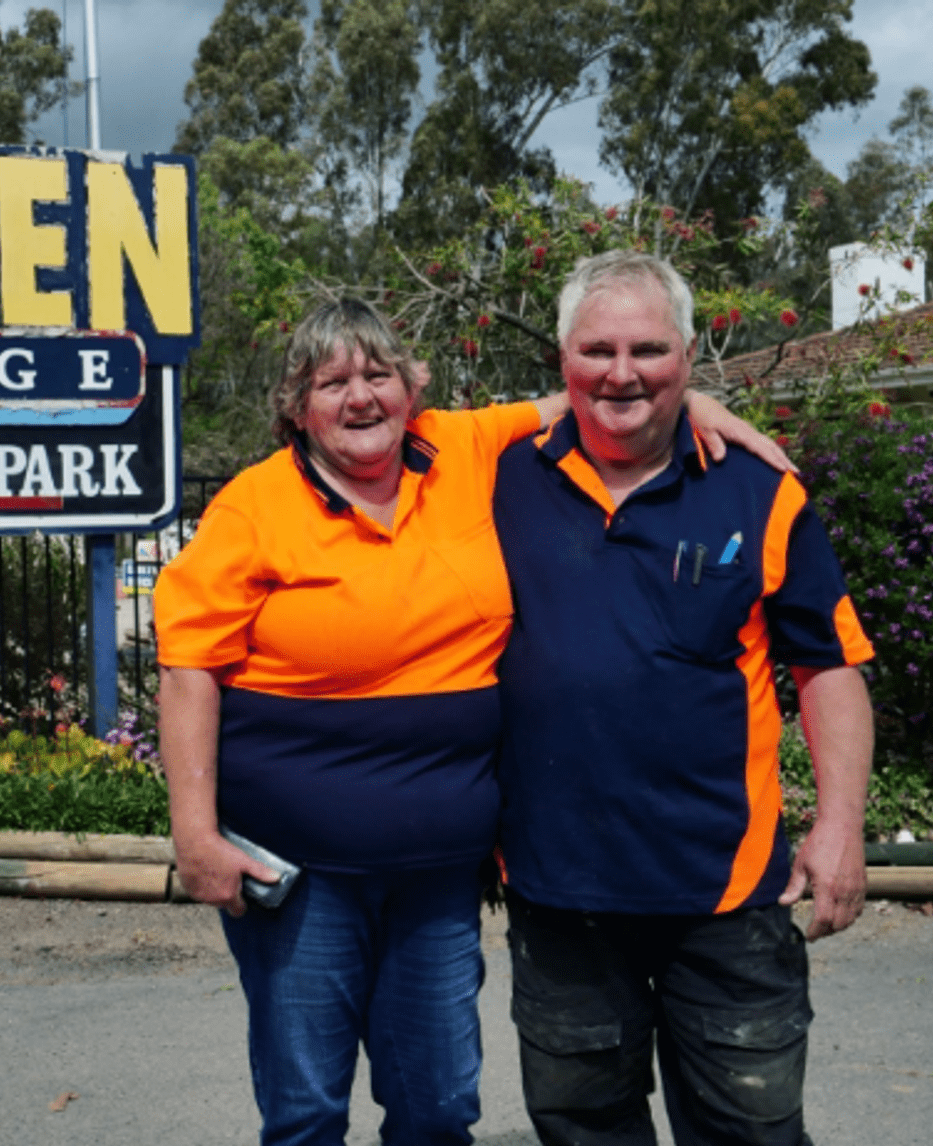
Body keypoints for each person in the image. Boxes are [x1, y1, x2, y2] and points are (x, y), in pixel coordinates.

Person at [153, 296, 786, 1146]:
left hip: (440, 869)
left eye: (379, 374)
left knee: (440, 1105)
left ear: (412, 388)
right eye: (332, 382)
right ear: (296, 406)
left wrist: (694, 401)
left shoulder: (459, 447)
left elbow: (592, 395)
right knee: (307, 1111)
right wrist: (196, 836)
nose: (361, 396)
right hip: (303, 870)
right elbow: (188, 668)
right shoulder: (253, 506)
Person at [492, 250, 875, 1146]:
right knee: (585, 1131)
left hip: (727, 893)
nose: (621, 373)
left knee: (751, 1132)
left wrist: (841, 825)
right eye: (597, 351)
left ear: (690, 356)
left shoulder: (760, 490)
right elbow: (371, 426)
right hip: (559, 887)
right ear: (562, 360)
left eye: (649, 351)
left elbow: (829, 667)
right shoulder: (494, 479)